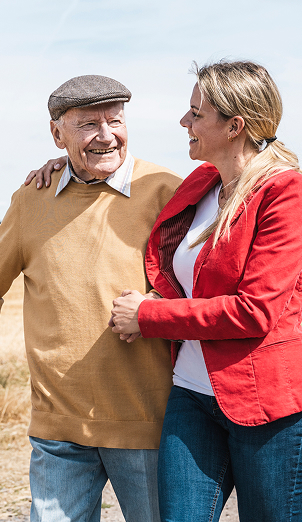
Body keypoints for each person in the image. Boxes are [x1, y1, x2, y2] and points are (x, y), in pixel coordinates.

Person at [109, 60, 302, 521]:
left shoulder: (285, 193)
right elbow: (121, 186)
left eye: (196, 113)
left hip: (265, 406)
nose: (184, 123)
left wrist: (149, 317)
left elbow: (254, 312)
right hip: (190, 395)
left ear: (235, 125)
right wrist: (60, 166)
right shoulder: (202, 182)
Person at [0, 74, 181, 522]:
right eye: (87, 125)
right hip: (57, 429)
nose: (106, 135)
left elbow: (204, 288)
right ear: (56, 132)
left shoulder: (168, 191)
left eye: (115, 120)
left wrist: (153, 306)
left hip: (146, 421)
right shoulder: (31, 198)